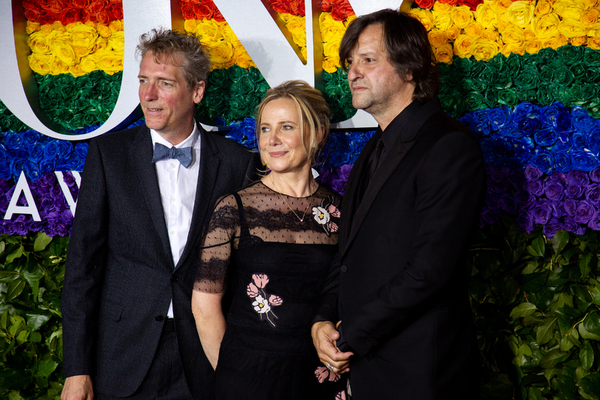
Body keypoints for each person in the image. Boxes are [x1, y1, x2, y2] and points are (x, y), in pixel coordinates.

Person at [61, 28, 259, 400]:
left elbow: (245, 269)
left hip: (204, 355)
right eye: (143, 82)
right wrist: (77, 369)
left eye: (164, 83)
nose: (148, 96)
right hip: (122, 356)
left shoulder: (235, 163)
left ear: (196, 91)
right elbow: (82, 270)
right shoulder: (109, 155)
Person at [311, 9, 486, 400]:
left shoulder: (449, 147)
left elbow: (430, 271)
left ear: (410, 69)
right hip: (366, 366)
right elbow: (347, 254)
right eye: (350, 62)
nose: (353, 72)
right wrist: (322, 319)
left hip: (422, 373)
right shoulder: (373, 148)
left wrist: (348, 336)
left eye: (368, 60)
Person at [191, 80, 346, 399]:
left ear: (315, 133)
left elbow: (350, 293)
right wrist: (232, 375)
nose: (272, 140)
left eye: (286, 127)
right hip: (247, 379)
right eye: (264, 129)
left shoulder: (340, 211)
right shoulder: (234, 207)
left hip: (318, 379)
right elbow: (204, 307)